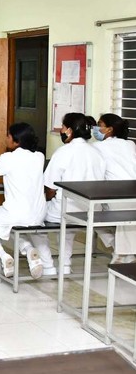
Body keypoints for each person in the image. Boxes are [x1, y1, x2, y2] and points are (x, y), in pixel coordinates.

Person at [31, 113, 106, 276]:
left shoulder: (63, 152)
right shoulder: (97, 153)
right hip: (91, 210)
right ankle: (65, 265)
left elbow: (50, 188)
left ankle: (48, 265)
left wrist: (41, 202)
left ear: (70, 130)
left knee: (32, 220)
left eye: (63, 127)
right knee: (68, 226)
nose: (62, 130)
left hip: (65, 210)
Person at [0, 123, 46, 278]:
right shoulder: (39, 157)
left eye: (8, 136)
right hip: (38, 215)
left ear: (16, 141)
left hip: (16, 213)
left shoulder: (8, 158)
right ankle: (28, 250)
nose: (6, 139)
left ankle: (4, 256)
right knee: (5, 227)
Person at [93, 113, 136, 263]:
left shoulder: (98, 147)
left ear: (109, 129)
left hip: (115, 195)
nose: (96, 129)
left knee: (89, 215)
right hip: (132, 192)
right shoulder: (130, 144)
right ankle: (123, 251)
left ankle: (118, 248)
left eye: (100, 125)